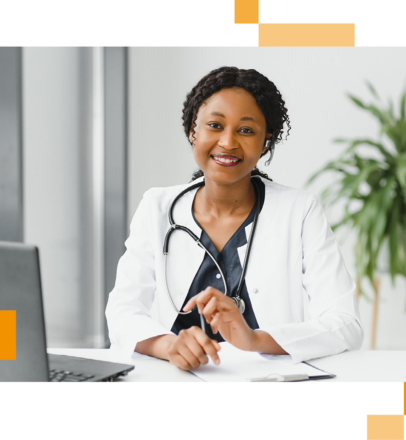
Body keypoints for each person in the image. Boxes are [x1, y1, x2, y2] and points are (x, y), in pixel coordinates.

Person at [105, 66, 363, 371]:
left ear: (266, 142)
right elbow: (122, 313)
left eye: (245, 130)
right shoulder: (157, 207)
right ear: (193, 131)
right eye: (215, 125)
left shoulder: (300, 211)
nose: (228, 142)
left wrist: (255, 339)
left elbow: (345, 324)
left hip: (266, 377)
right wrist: (169, 345)